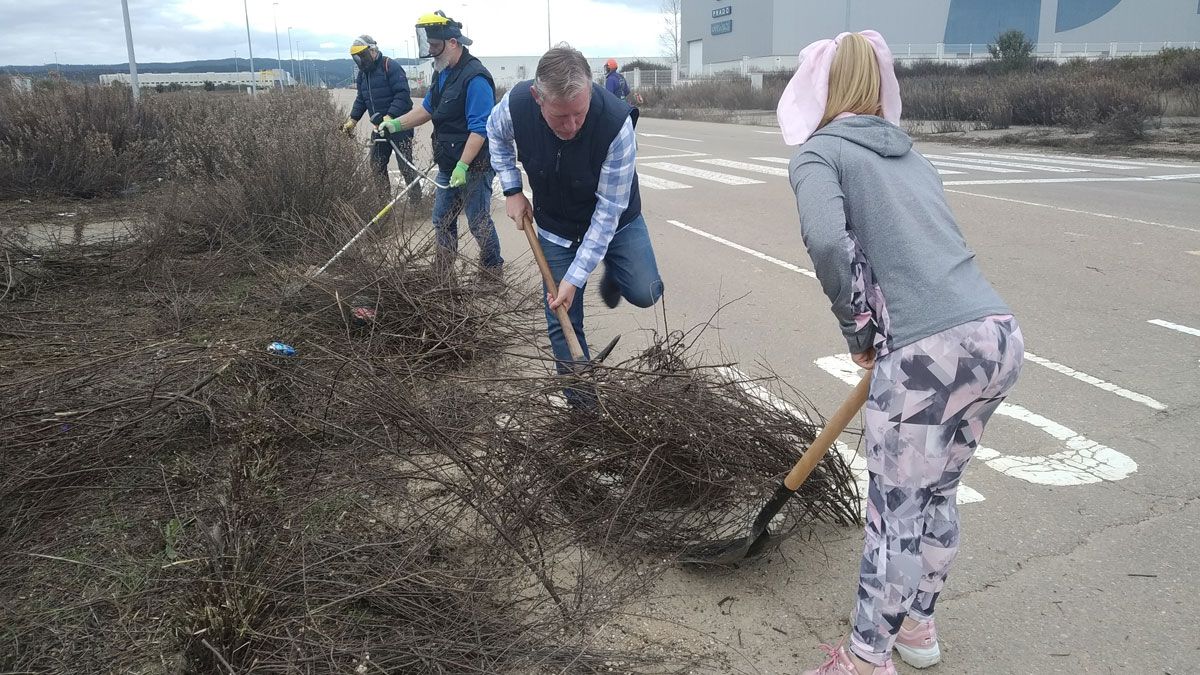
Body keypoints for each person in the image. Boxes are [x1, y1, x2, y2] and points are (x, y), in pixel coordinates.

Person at [779, 31, 1024, 675]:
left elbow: (829, 244)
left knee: (893, 513)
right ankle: (916, 628)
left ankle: (865, 659)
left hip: (925, 355)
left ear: (820, 88)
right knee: (936, 497)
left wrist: (859, 330)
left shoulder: (819, 155)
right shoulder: (910, 155)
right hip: (995, 337)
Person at [487, 44, 662, 402]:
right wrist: (511, 188)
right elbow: (495, 134)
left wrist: (576, 277)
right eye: (559, 117)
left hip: (616, 221)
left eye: (579, 114)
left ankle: (615, 268)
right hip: (556, 226)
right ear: (539, 98)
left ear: (590, 91)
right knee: (561, 316)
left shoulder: (616, 124)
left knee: (646, 292)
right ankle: (582, 411)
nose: (571, 126)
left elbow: (608, 212)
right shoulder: (518, 104)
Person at [379, 12, 502, 277]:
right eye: (430, 45)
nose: (432, 51)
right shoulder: (443, 74)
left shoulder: (476, 78)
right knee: (442, 219)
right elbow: (427, 109)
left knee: (478, 221)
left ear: (453, 43)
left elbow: (480, 129)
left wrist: (463, 165)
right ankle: (443, 273)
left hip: (474, 165)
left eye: (436, 45)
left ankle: (492, 271)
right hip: (448, 161)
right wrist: (397, 124)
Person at [342, 35, 420, 204]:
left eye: (362, 55)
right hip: (379, 128)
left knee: (405, 166)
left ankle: (417, 203)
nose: (360, 60)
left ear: (373, 51)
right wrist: (352, 120)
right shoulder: (363, 75)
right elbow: (362, 99)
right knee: (377, 165)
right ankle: (384, 202)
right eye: (357, 57)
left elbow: (402, 95)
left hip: (399, 126)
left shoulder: (390, 66)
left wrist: (390, 116)